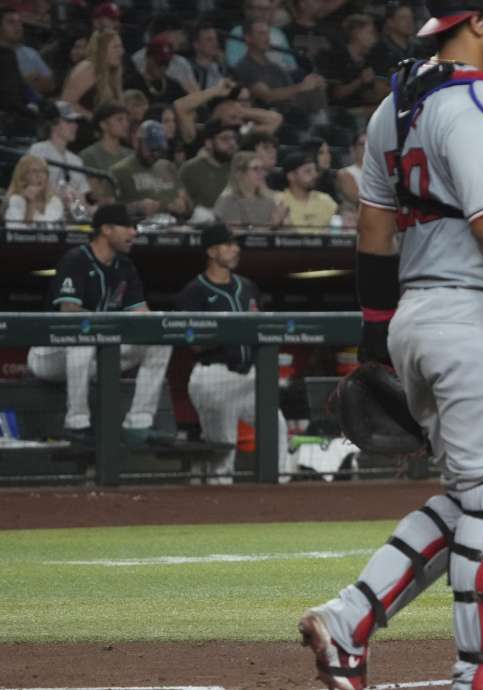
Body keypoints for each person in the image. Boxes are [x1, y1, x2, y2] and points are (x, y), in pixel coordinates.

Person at [296, 1, 483, 689]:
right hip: (479, 313)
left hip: (416, 316)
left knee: (478, 496)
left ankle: (348, 620)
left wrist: (375, 335)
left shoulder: (395, 104)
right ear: (474, 21)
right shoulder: (481, 99)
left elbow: (373, 226)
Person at [25, 205, 172, 446]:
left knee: (158, 341)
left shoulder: (125, 266)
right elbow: (69, 311)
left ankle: (139, 424)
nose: (134, 233)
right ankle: (77, 423)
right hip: (50, 353)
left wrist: (157, 324)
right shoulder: (76, 260)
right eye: (127, 227)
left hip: (99, 350)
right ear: (106, 229)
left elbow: (141, 314)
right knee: (83, 339)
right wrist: (113, 327)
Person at [175, 224, 289, 485]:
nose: (235, 249)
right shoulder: (194, 292)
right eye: (228, 244)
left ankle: (278, 488)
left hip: (248, 377)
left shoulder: (248, 287)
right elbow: (193, 343)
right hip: (214, 376)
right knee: (224, 450)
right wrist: (229, 330)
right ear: (212, 251)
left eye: (236, 244)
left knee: (277, 427)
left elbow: (262, 328)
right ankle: (219, 510)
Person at [110, 120, 193, 222]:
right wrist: (135, 208)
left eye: (159, 150)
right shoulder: (120, 171)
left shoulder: (168, 166)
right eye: (152, 149)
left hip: (173, 226)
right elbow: (107, 210)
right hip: (141, 228)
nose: (155, 154)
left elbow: (188, 205)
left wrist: (183, 205)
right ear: (138, 142)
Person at [29, 101, 89, 200]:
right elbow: (33, 187)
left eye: (75, 121)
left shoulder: (76, 160)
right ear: (54, 124)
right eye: (69, 121)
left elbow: (81, 199)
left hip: (71, 212)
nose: (75, 125)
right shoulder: (38, 150)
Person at [214, 151, 288, 231]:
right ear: (239, 173)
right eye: (255, 169)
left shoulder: (269, 201)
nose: (261, 174)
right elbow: (238, 237)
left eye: (262, 169)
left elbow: (282, 236)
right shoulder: (228, 200)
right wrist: (271, 224)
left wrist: (283, 222)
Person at [60, 28, 124, 119]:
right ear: (102, 49)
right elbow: (66, 104)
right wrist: (94, 120)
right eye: (115, 47)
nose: (121, 51)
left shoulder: (113, 72)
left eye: (120, 47)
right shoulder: (88, 68)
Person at [178, 119, 239, 211]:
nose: (232, 143)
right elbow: (183, 205)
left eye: (233, 138)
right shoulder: (191, 170)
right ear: (209, 143)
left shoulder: (238, 167)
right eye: (224, 139)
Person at [78, 103, 132, 203]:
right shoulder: (89, 155)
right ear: (103, 125)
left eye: (127, 120)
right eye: (119, 119)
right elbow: (95, 193)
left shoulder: (131, 155)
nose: (126, 124)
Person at [276, 150, 338, 231]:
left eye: (315, 170)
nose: (315, 175)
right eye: (308, 171)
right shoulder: (278, 201)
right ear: (291, 176)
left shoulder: (326, 200)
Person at [5, 155, 65, 227]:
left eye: (43, 171)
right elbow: (20, 234)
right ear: (22, 177)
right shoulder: (15, 201)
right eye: (34, 171)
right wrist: (30, 204)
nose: (39, 175)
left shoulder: (55, 201)